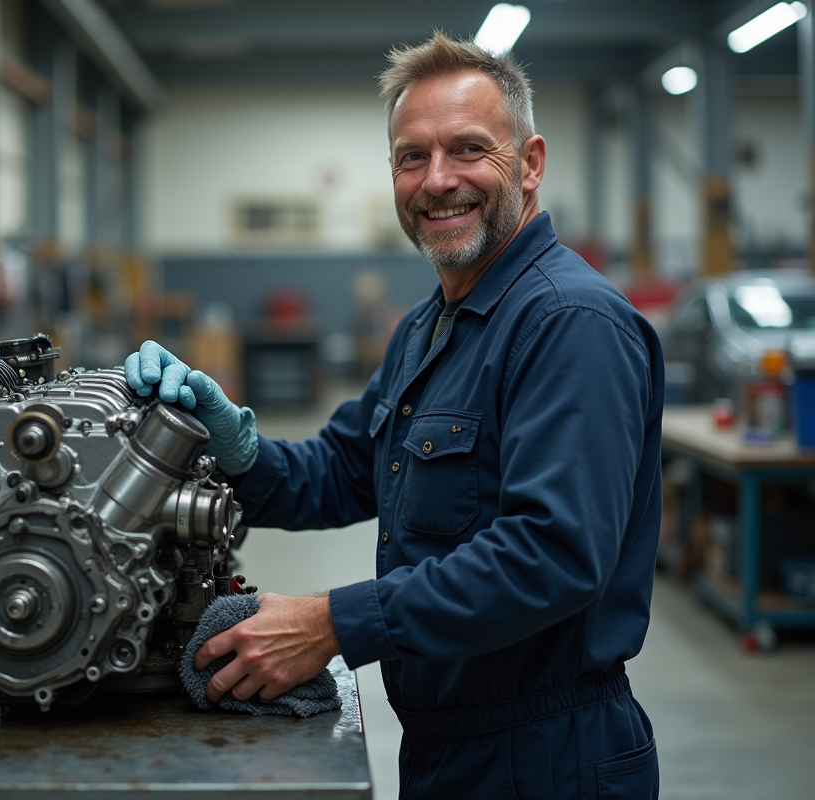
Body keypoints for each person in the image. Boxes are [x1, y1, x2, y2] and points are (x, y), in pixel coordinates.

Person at [125, 32, 664, 800]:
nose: (437, 180)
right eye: (412, 157)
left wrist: (335, 623)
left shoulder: (570, 323)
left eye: (468, 150)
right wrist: (230, 445)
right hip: (447, 748)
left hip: (548, 756)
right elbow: (343, 472)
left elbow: (555, 553)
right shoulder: (427, 327)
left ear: (532, 162)